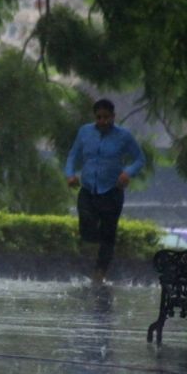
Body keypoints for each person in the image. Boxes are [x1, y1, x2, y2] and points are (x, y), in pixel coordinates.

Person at [64, 99, 145, 284]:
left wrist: (127, 173)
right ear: (95, 117)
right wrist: (70, 174)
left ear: (113, 116)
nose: (103, 121)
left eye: (106, 117)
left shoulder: (123, 136)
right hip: (88, 189)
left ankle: (99, 274)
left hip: (112, 191)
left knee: (109, 235)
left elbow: (139, 159)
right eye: (99, 117)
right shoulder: (85, 132)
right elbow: (72, 155)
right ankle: (92, 252)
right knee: (86, 225)